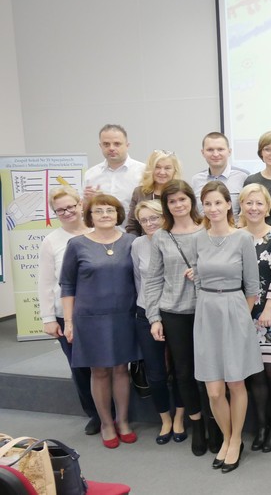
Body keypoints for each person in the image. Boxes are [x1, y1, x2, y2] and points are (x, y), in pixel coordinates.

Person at [192, 181, 263, 473]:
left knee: (235, 383)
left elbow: (253, 287)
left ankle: (235, 441)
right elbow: (198, 278)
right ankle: (226, 436)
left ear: (228, 205)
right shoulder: (198, 239)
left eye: (218, 203)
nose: (213, 209)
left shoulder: (243, 238)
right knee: (213, 390)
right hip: (206, 312)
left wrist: (241, 318)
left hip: (235, 309)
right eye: (207, 204)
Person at [59, 194, 138, 448]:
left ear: (118, 214)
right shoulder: (77, 244)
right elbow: (67, 285)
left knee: (121, 369)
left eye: (110, 210)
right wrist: (68, 322)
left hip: (124, 316)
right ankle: (106, 423)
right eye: (99, 211)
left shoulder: (131, 242)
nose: (105, 215)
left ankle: (122, 420)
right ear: (90, 216)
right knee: (99, 371)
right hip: (90, 319)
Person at [145, 180, 214, 456]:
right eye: (172, 201)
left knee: (210, 372)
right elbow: (153, 280)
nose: (178, 205)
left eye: (182, 199)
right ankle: (196, 424)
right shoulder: (161, 237)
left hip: (207, 310)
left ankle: (214, 424)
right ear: (166, 205)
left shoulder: (208, 230)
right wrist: (154, 317)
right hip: (174, 313)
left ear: (191, 201)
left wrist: (202, 272)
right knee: (184, 372)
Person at [37, 186, 99, 435]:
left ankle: (115, 411)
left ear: (81, 205)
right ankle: (95, 414)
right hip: (66, 315)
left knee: (107, 365)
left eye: (71, 206)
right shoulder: (51, 241)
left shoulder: (98, 232)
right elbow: (45, 282)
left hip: (100, 312)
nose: (67, 212)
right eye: (60, 210)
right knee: (80, 367)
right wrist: (48, 318)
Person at [238, 184, 271, 453]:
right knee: (254, 375)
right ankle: (260, 426)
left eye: (259, 203)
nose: (254, 208)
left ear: (267, 207)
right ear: (241, 206)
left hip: (269, 314)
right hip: (240, 314)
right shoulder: (235, 236)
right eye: (249, 203)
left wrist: (270, 309)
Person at [131, 200, 186, 445]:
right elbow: (139, 281)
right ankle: (165, 419)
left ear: (164, 217)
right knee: (155, 371)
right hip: (146, 312)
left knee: (182, 368)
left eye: (154, 217)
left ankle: (180, 418)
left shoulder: (177, 238)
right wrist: (148, 312)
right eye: (144, 220)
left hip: (176, 311)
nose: (150, 223)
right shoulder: (138, 245)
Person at [84, 124, 146, 223]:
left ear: (127, 145)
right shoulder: (91, 175)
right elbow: (84, 212)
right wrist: (88, 201)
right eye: (106, 144)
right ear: (100, 146)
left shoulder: (144, 172)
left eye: (117, 144)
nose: (111, 148)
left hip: (134, 230)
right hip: (101, 231)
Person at [190, 132, 249, 215]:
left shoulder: (244, 177)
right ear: (203, 153)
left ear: (229, 151)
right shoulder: (196, 180)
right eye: (210, 150)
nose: (215, 154)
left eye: (220, 149)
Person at [126, 150, 183, 235]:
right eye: (157, 167)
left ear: (175, 170)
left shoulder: (182, 193)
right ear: (150, 169)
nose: (162, 172)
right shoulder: (139, 193)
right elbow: (132, 227)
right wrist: (140, 242)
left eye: (167, 168)